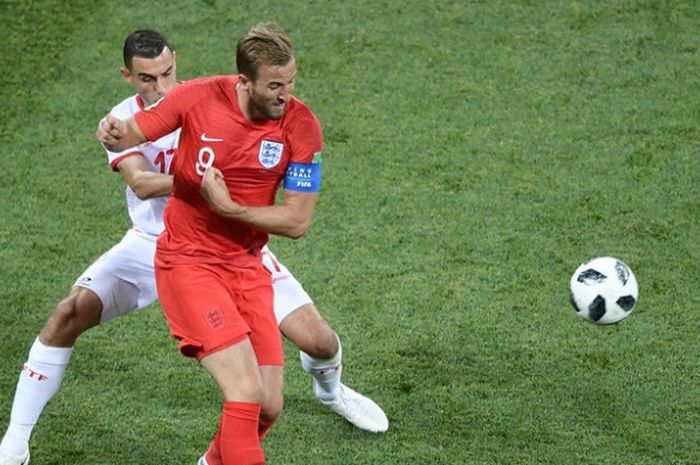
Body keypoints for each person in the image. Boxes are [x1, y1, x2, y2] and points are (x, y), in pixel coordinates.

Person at [0, 28, 386, 465]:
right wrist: (203, 181)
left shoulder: (208, 101)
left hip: (238, 247)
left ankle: (331, 392)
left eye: (168, 73)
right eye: (148, 79)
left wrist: (229, 200)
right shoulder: (128, 115)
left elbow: (296, 219)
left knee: (315, 343)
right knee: (69, 312)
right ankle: (14, 443)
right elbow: (143, 182)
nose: (161, 87)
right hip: (157, 244)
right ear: (128, 76)